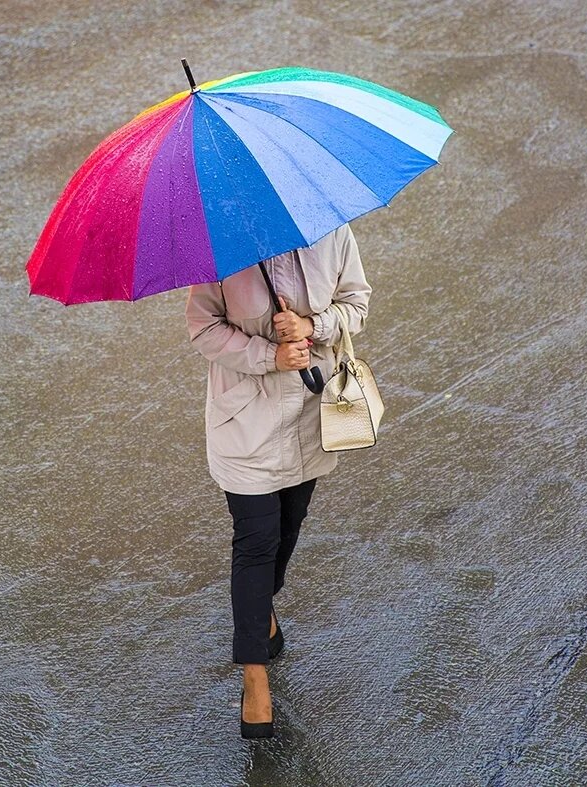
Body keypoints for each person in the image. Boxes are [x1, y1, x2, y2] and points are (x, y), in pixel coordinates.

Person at [185, 223, 371, 739]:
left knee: (289, 528)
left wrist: (315, 324)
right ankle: (254, 676)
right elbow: (203, 328)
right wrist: (268, 356)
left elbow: (356, 301)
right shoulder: (219, 251)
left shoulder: (332, 232)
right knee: (256, 541)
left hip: (312, 415)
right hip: (245, 422)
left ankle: (261, 610)